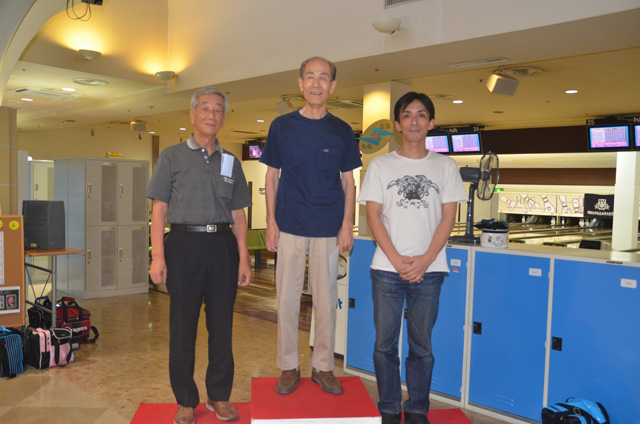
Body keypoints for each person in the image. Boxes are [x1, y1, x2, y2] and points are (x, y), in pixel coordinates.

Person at [357, 92, 467, 424]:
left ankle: (418, 408)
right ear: (397, 124)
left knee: (422, 347)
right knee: (384, 345)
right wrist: (397, 260)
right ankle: (390, 407)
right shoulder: (380, 165)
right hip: (386, 270)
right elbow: (373, 216)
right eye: (407, 115)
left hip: (429, 271)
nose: (414, 121)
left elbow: (448, 218)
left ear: (431, 122)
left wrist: (424, 260)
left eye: (421, 115)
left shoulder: (446, 166)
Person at [146, 87, 252, 424]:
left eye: (218, 109)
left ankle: (219, 395)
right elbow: (159, 209)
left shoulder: (231, 161)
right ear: (192, 115)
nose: (211, 114)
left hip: (222, 247)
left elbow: (238, 214)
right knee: (183, 328)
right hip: (183, 244)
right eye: (205, 108)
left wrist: (244, 258)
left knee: (221, 327)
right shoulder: (171, 157)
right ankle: (186, 400)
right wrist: (158, 257)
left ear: (223, 118)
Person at [260, 56, 362, 395]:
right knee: (287, 299)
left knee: (326, 300)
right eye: (310, 77)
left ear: (333, 86)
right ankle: (289, 366)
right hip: (289, 224)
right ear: (300, 83)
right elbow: (271, 176)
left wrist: (347, 224)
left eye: (323, 77)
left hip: (328, 228)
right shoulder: (281, 126)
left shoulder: (341, 130)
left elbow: (349, 182)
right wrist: (271, 221)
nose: (316, 83)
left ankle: (323, 367)